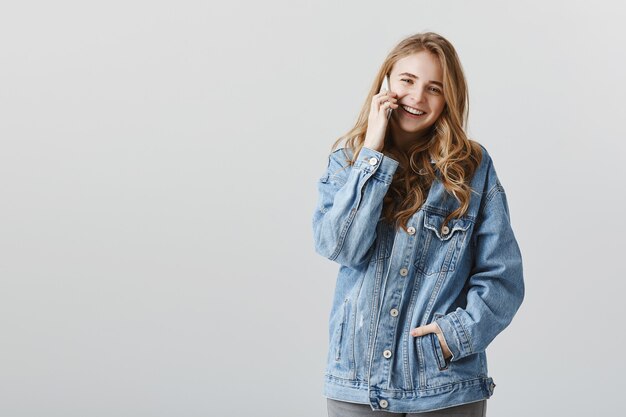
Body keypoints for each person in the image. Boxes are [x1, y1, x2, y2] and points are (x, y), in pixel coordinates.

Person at [311, 32, 525, 416]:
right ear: (386, 82)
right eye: (407, 80)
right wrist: (372, 157)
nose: (417, 97)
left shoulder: (471, 168)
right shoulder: (349, 159)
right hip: (356, 383)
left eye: (434, 88)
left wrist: (452, 337)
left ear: (448, 100)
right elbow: (339, 248)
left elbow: (502, 276)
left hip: (444, 385)